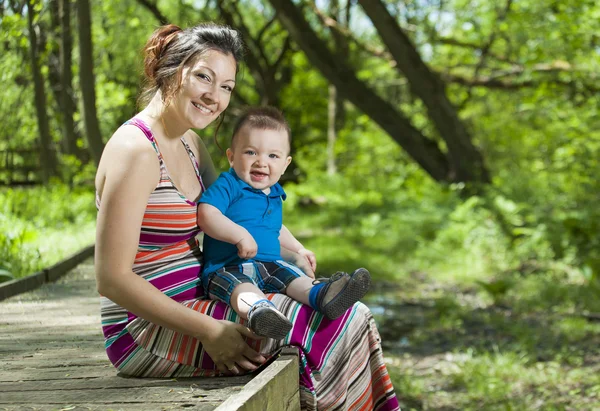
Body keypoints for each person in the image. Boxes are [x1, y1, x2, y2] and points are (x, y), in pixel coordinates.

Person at [94, 22, 400, 410]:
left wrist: (292, 252)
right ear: (171, 69)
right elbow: (110, 278)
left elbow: (245, 206)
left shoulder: (190, 142)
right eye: (203, 77)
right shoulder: (134, 150)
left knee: (347, 312)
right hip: (146, 328)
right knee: (337, 326)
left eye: (226, 86)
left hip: (207, 293)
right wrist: (210, 330)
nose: (214, 96)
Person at [197, 106, 372, 340]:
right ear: (231, 157)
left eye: (273, 156)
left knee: (294, 278)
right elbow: (207, 214)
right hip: (228, 265)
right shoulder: (229, 184)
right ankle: (261, 313)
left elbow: (276, 228)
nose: (261, 162)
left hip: (271, 264)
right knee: (241, 289)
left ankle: (324, 296)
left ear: (285, 164)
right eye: (250, 152)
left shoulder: (274, 192)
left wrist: (298, 249)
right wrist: (238, 235)